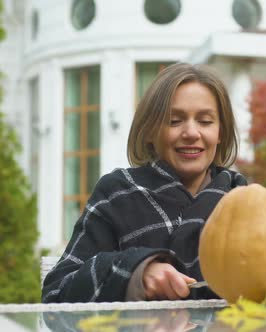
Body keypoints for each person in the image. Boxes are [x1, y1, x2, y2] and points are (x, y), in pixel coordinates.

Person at [42, 63, 247, 302]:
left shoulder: (241, 197)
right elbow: (56, 292)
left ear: (220, 132)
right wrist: (135, 272)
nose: (192, 132)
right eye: (174, 120)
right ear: (150, 130)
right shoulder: (116, 194)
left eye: (205, 121)